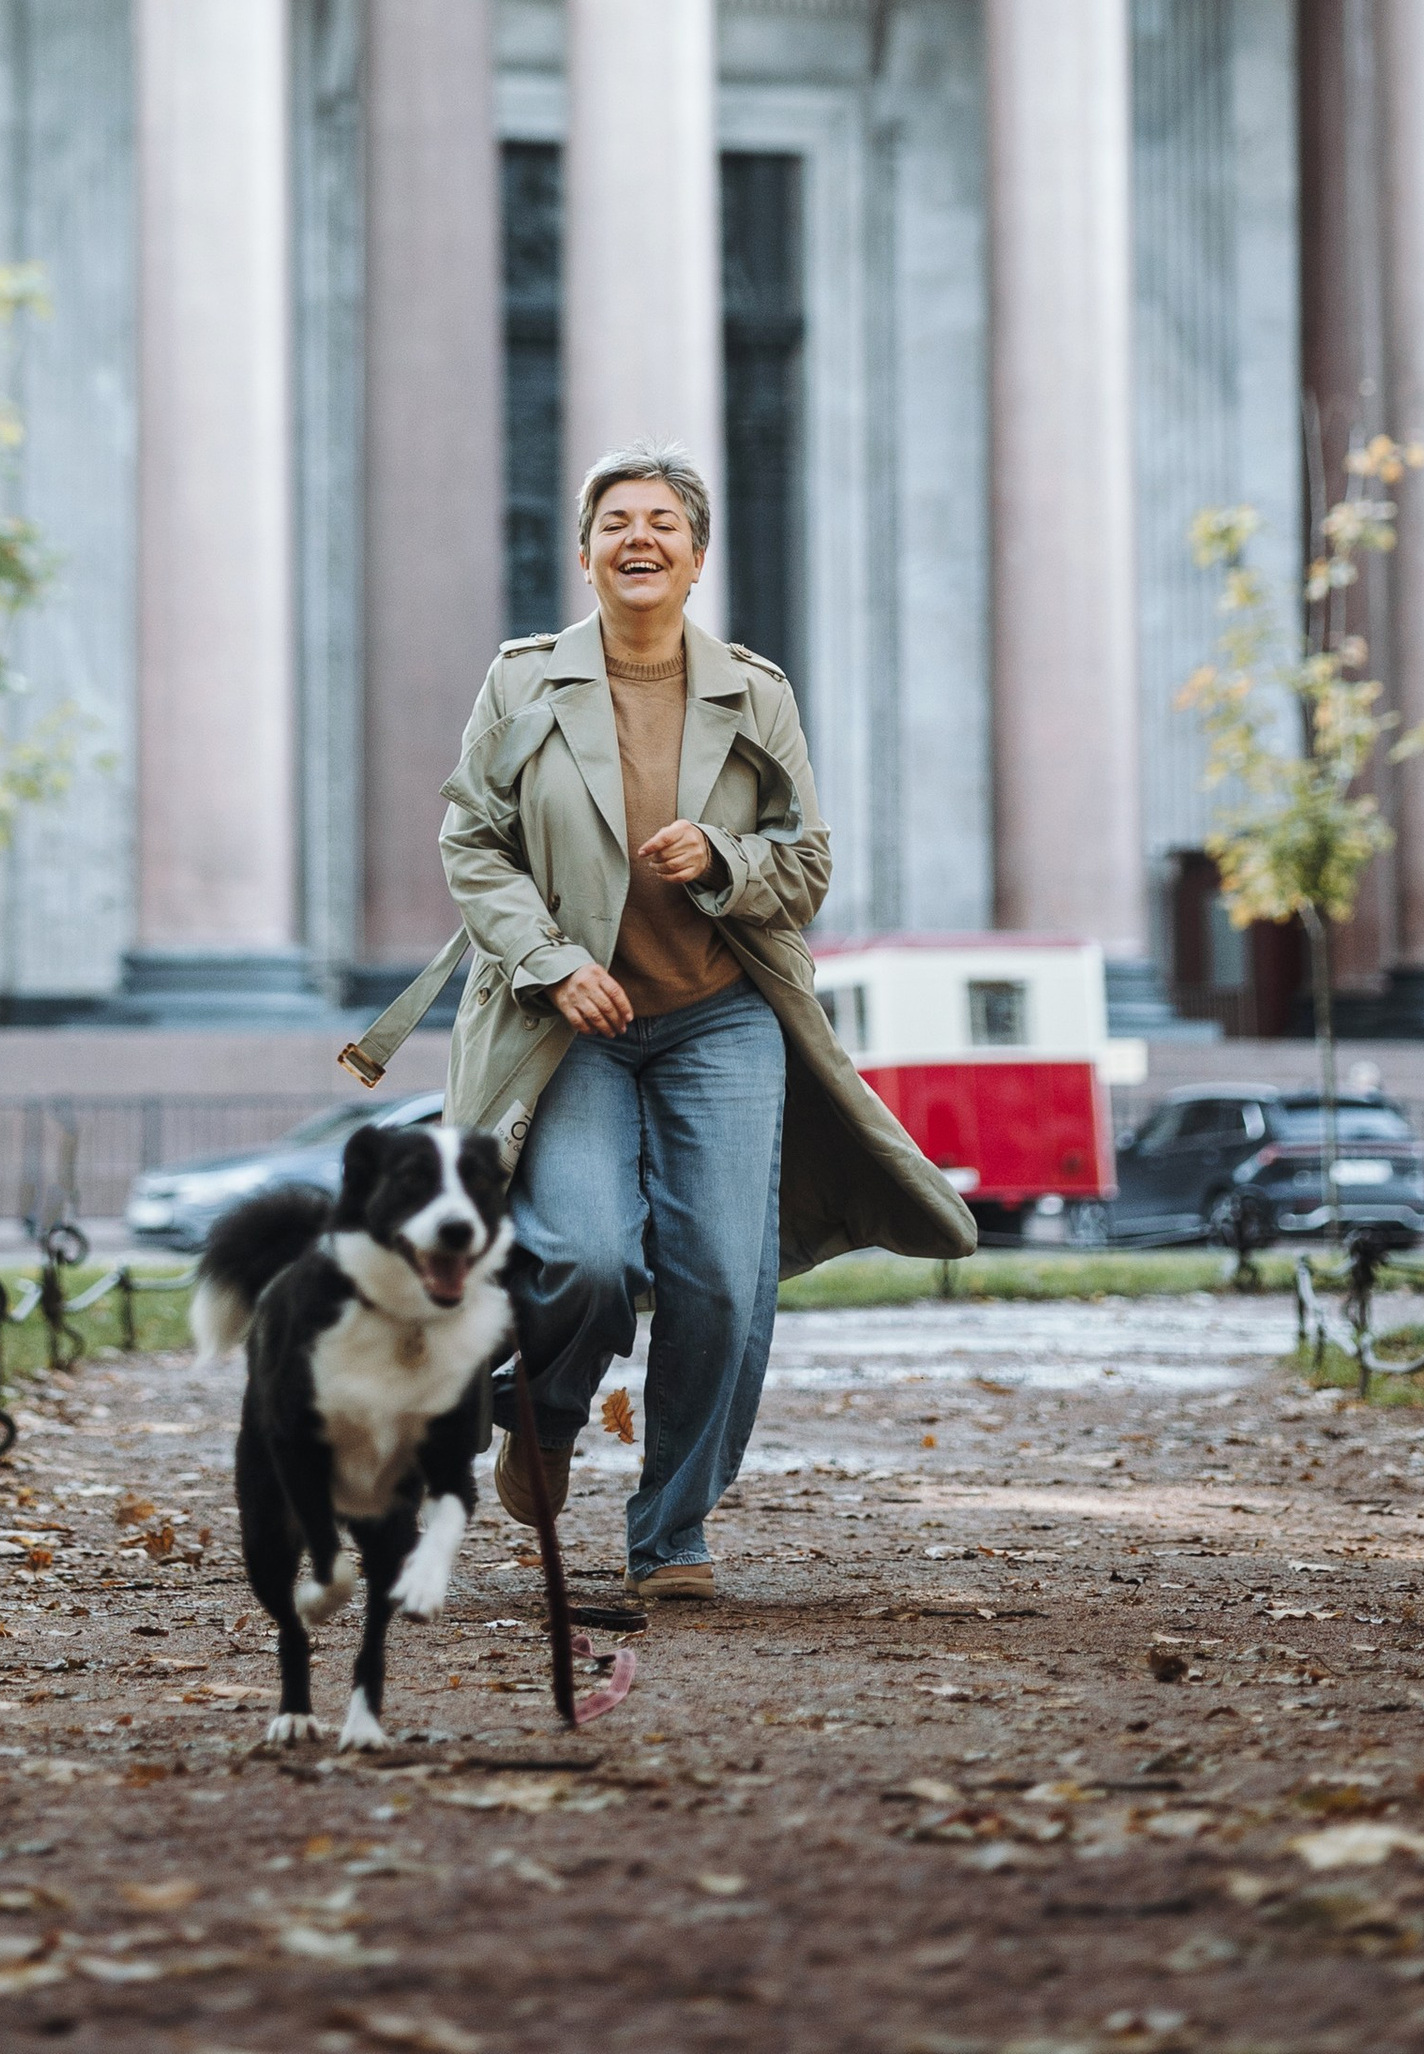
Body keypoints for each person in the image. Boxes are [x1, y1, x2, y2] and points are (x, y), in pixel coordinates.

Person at [347, 441, 975, 1607]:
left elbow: (807, 864)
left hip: (717, 1017)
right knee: (584, 1256)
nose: (639, 539)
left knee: (724, 1282)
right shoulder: (524, 681)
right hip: (565, 1024)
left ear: (695, 557)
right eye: (615, 522)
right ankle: (539, 1416)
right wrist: (548, 963)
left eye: (662, 524)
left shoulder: (753, 691)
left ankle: (671, 1534)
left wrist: (723, 859)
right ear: (584, 554)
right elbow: (469, 842)